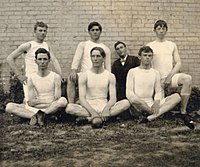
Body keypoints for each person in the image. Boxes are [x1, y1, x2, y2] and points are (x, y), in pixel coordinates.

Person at [66, 47, 130, 128]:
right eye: (93, 56)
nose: (95, 59)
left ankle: (91, 118)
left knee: (126, 103)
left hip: (103, 105)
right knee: (69, 107)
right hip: (88, 107)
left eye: (98, 56)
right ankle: (102, 118)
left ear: (103, 58)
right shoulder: (84, 75)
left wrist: (106, 109)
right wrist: (93, 112)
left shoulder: (110, 76)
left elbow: (113, 98)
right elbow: (82, 99)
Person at [147, 19, 194, 129]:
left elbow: (178, 63)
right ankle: (158, 114)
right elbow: (148, 65)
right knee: (161, 106)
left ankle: (183, 111)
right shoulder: (150, 45)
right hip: (157, 79)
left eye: (164, 28)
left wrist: (169, 78)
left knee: (187, 79)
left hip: (170, 77)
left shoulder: (171, 45)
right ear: (154, 30)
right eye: (159, 28)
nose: (161, 31)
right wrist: (156, 80)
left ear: (166, 30)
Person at [6, 48, 68, 126]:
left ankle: (40, 116)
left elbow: (57, 99)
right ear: (36, 61)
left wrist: (39, 101)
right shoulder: (31, 78)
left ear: (49, 61)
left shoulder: (55, 77)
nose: (42, 62)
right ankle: (39, 116)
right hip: (35, 109)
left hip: (51, 108)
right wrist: (46, 101)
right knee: (9, 106)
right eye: (40, 59)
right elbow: (31, 102)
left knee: (63, 101)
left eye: (45, 59)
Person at [7, 21, 62, 103]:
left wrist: (60, 74)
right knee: (31, 101)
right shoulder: (28, 45)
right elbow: (10, 58)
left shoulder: (47, 45)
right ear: (34, 32)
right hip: (30, 79)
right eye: (40, 30)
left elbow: (54, 60)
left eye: (44, 31)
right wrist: (19, 75)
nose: (43, 33)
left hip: (43, 78)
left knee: (46, 101)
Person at [126, 46, 181, 123]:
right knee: (133, 101)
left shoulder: (155, 73)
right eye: (145, 55)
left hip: (151, 103)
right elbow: (129, 94)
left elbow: (158, 91)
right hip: (137, 105)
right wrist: (143, 104)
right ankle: (156, 114)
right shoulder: (132, 71)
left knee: (177, 97)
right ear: (139, 57)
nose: (147, 58)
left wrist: (156, 102)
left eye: (149, 56)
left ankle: (150, 117)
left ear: (152, 57)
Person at [67, 21, 111, 103]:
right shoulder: (83, 44)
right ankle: (71, 104)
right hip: (84, 74)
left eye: (97, 30)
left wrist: (107, 78)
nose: (95, 32)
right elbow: (76, 59)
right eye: (92, 30)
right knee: (70, 78)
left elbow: (108, 67)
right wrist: (73, 70)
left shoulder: (105, 48)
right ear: (89, 32)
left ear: (100, 32)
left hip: (98, 75)